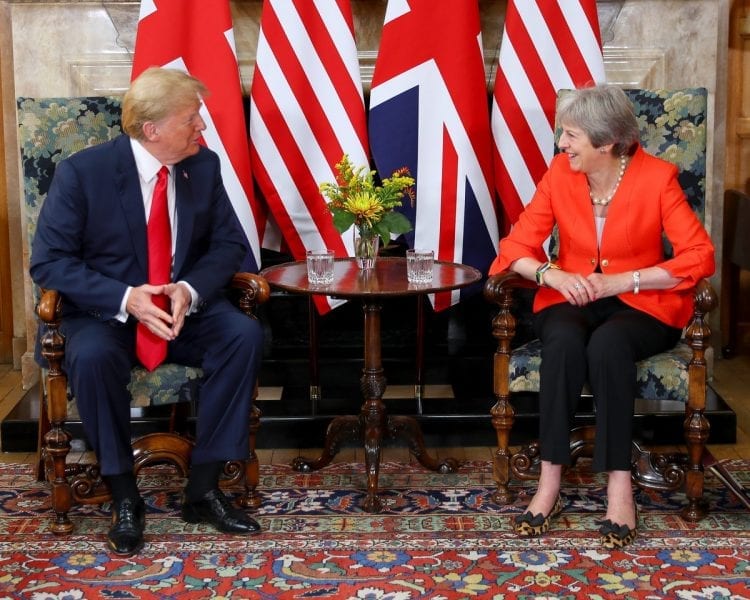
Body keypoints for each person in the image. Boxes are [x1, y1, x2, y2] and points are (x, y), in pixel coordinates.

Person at [30, 67, 264, 556]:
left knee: (243, 335)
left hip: (182, 313)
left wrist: (189, 290)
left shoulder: (203, 166)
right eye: (191, 118)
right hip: (106, 315)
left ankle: (203, 489)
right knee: (92, 356)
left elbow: (229, 245)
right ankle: (124, 495)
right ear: (152, 129)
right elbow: (49, 262)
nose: (202, 127)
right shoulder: (83, 173)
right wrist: (126, 297)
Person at [489, 84, 714, 548]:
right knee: (564, 343)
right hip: (570, 298)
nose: (562, 145)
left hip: (642, 304)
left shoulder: (657, 179)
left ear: (607, 142)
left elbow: (699, 255)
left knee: (609, 345)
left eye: (571, 135)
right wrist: (552, 275)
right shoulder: (559, 174)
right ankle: (549, 481)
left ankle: (619, 487)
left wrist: (625, 281)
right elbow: (514, 248)